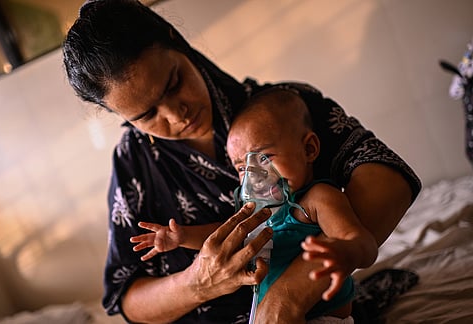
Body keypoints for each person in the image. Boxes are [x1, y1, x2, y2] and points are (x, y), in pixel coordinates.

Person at [62, 0, 421, 322]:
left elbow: (388, 177)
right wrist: (197, 284)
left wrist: (290, 292)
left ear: (176, 40)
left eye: (173, 83)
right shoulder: (133, 166)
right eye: (146, 114)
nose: (176, 114)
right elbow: (126, 298)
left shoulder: (283, 109)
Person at [131, 88, 379, 322]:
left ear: (309, 149)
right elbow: (226, 237)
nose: (255, 175)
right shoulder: (260, 212)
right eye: (241, 168)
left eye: (264, 157)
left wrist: (344, 253)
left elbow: (363, 243)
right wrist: (182, 236)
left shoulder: (318, 199)